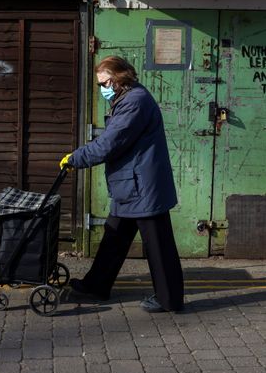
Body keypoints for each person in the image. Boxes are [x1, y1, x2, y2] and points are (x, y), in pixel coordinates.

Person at [59, 55, 184, 313]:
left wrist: (75, 158)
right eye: (99, 84)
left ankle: (169, 300)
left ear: (118, 79)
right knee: (114, 238)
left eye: (104, 82)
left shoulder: (135, 102)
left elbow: (110, 143)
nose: (102, 88)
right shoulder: (128, 98)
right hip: (133, 185)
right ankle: (96, 286)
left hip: (142, 187)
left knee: (159, 247)